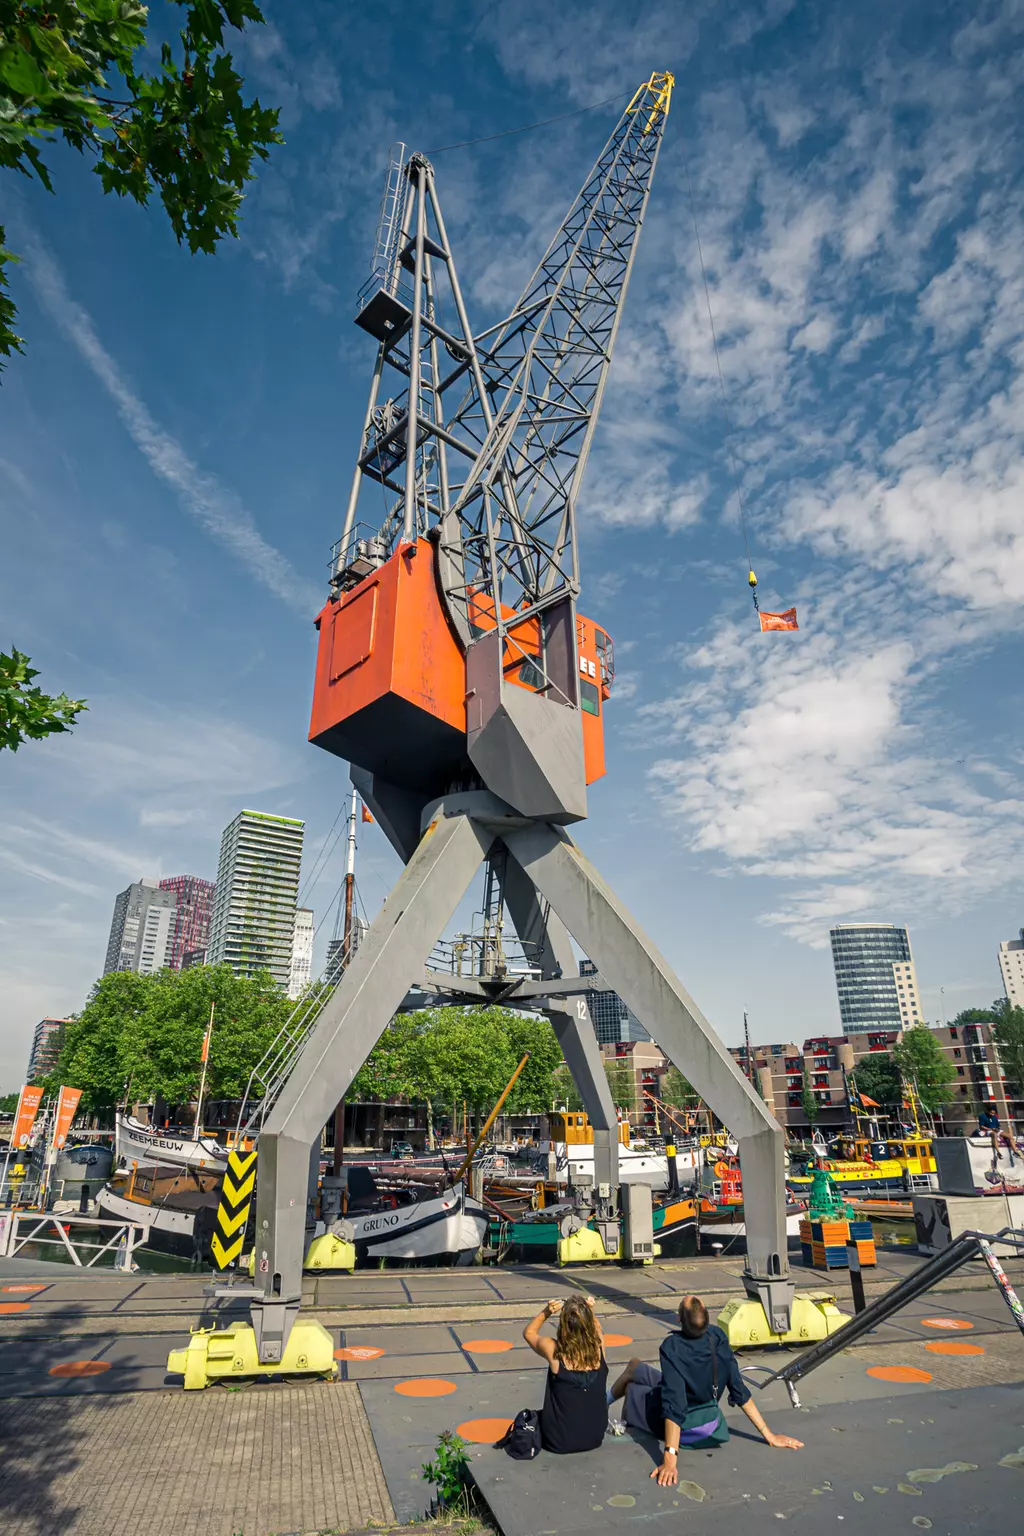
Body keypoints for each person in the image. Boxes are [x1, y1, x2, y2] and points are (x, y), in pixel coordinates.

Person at [608, 1294, 803, 1485]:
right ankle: (604, 1400)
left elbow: (674, 1405)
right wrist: (768, 1435)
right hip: (700, 1403)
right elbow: (738, 1389)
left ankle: (604, 1407)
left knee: (632, 1388)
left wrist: (670, 1460)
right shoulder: (717, 1337)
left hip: (682, 1423)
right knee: (634, 1365)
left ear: (678, 1319)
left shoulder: (672, 1346)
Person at [523, 1294, 608, 1454]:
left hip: (559, 1441)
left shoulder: (554, 1350)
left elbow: (529, 1333)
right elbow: (597, 1329)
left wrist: (546, 1312)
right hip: (595, 1438)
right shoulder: (599, 1347)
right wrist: (590, 1312)